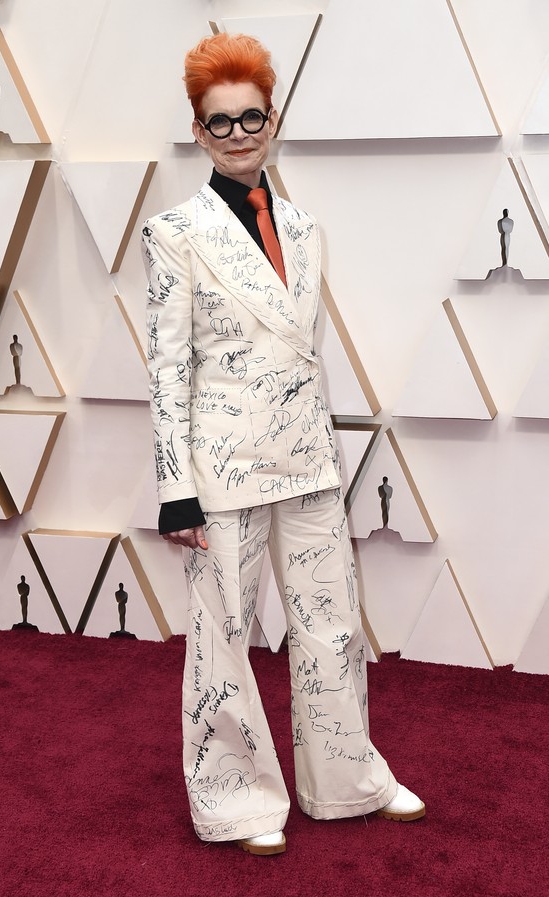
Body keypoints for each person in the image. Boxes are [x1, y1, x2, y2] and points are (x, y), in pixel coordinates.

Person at [141, 32, 425, 856]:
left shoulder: (303, 229)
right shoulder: (174, 232)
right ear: (199, 131)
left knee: (331, 623)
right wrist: (175, 488)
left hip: (305, 458)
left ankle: (348, 779)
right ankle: (237, 799)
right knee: (225, 634)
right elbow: (166, 368)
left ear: (274, 119)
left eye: (251, 118)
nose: (238, 134)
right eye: (219, 123)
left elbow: (303, 353)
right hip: (220, 468)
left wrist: (326, 458)